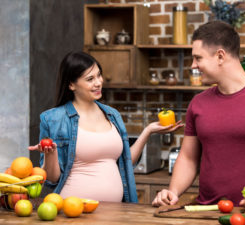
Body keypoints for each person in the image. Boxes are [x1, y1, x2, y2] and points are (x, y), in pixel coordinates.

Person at [152, 20, 245, 207]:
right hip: (206, 213)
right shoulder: (198, 103)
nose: (193, 66)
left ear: (220, 56)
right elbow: (188, 157)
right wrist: (172, 192)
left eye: (198, 58)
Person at [28, 51, 183, 203]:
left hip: (115, 212)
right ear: (71, 84)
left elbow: (126, 162)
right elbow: (52, 179)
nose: (98, 82)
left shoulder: (111, 114)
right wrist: (50, 154)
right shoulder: (54, 119)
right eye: (90, 79)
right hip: (74, 211)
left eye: (99, 75)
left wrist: (148, 131)